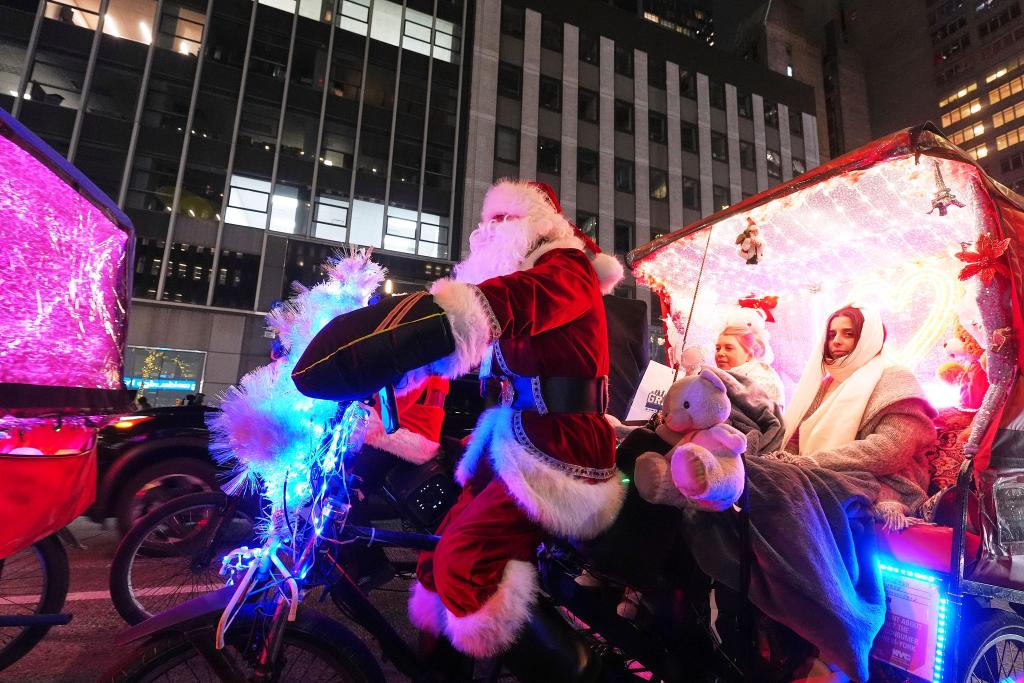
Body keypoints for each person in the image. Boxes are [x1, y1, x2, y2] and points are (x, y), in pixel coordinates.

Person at [291, 179, 625, 675]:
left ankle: (582, 672)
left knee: (465, 561)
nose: (487, 233)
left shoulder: (566, 268)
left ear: (537, 225)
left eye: (503, 221)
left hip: (560, 449)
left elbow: (514, 303)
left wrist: (437, 320)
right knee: (433, 557)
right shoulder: (525, 270)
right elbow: (459, 352)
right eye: (487, 222)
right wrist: (389, 365)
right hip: (510, 444)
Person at [768, 305, 937, 526]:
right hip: (817, 475)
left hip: (882, 481)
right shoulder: (826, 385)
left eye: (848, 333)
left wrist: (807, 464)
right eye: (831, 334)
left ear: (870, 338)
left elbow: (889, 450)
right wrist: (785, 464)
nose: (836, 341)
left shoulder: (896, 379)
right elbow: (796, 439)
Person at [715, 325, 786, 406]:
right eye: (718, 349)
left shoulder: (761, 379)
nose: (720, 353)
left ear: (749, 354)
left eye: (729, 348)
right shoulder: (721, 377)